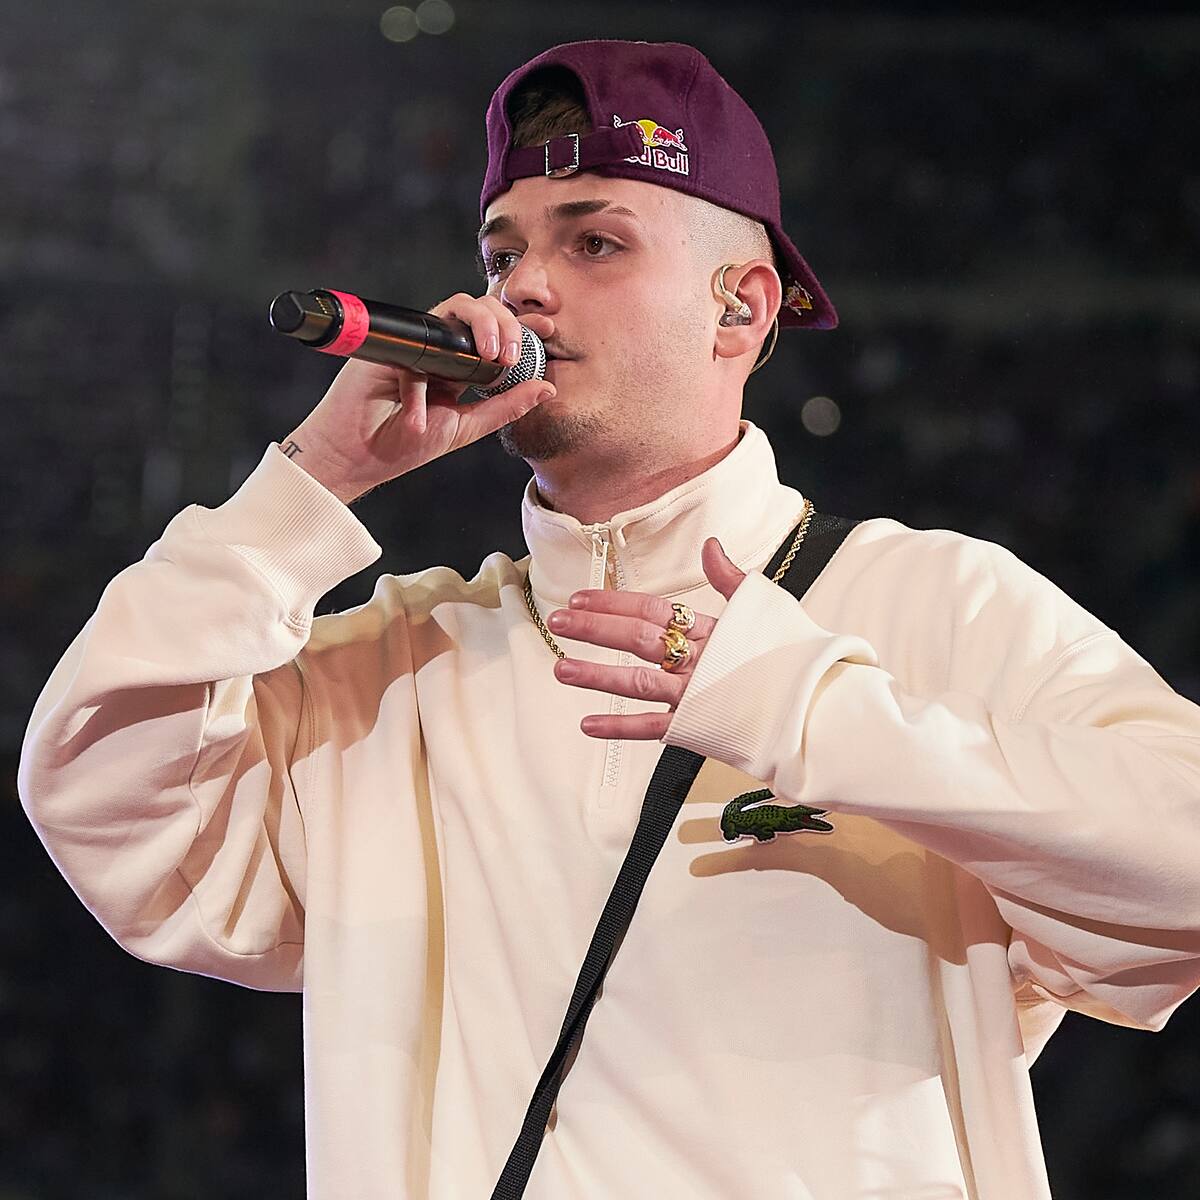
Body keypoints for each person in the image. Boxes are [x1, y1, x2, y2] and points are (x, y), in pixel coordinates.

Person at [17, 38, 1200, 1200]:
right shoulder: (397, 665)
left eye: (595, 242)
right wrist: (308, 487)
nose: (524, 287)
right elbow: (104, 805)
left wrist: (817, 714)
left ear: (740, 309)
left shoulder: (933, 603)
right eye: (504, 251)